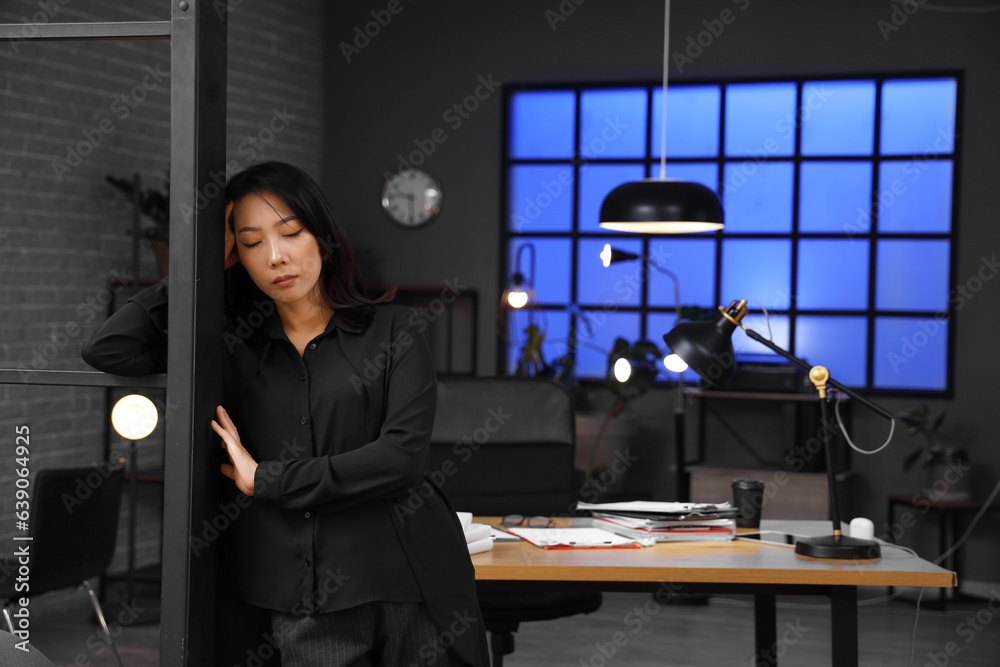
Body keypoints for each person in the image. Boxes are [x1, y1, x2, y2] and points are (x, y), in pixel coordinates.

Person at [82, 161, 488, 666]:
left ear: (321, 235)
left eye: (291, 233)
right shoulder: (227, 348)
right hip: (301, 596)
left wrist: (268, 478)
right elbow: (109, 350)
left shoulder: (395, 331)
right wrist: (200, 267)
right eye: (250, 243)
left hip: (408, 577)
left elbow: (400, 458)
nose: (275, 256)